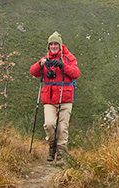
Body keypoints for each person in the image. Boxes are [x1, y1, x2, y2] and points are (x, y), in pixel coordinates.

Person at [29, 31, 81, 164]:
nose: (53, 46)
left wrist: (63, 66)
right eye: (51, 44)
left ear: (60, 45)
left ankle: (61, 154)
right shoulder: (45, 59)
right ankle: (52, 146)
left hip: (65, 97)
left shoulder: (69, 58)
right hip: (49, 98)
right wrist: (40, 64)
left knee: (63, 127)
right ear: (48, 46)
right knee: (49, 124)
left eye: (55, 44)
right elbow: (33, 72)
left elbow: (76, 73)